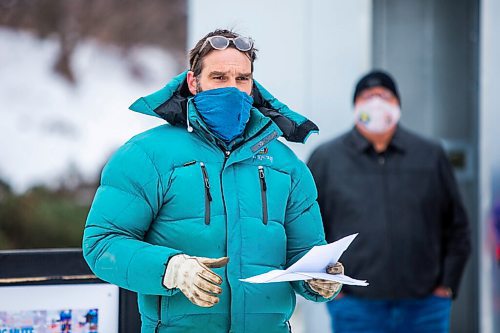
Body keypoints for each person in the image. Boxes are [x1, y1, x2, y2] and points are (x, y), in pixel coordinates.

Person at [82, 29, 344, 333]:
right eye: (219, 77)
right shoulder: (146, 155)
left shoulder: (286, 165)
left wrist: (322, 278)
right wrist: (171, 268)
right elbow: (102, 243)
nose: (232, 89)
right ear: (194, 82)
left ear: (252, 85)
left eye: (241, 79)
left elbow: (307, 254)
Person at [307, 70, 471, 333]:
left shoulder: (429, 154)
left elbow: (457, 225)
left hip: (425, 307)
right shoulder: (327, 158)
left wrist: (446, 285)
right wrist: (332, 290)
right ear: (356, 106)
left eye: (384, 95)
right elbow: (308, 228)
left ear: (397, 105)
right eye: (367, 95)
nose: (376, 102)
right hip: (355, 308)